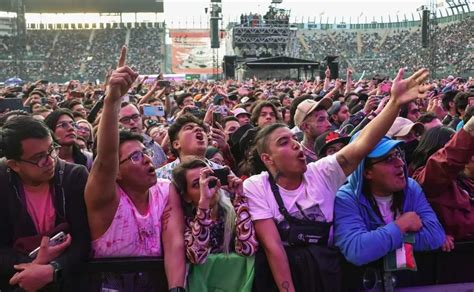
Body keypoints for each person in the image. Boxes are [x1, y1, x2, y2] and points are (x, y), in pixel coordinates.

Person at [243, 68, 431, 292]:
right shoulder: (256, 185)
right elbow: (274, 248)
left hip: (327, 275)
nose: (295, 144)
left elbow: (362, 144)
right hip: (282, 280)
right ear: (267, 159)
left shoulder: (322, 173)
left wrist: (394, 103)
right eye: (283, 142)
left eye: (294, 139)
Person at [84, 47, 185, 290]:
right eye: (136, 157)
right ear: (116, 172)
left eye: (146, 153)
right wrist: (112, 100)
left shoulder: (164, 190)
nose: (148, 160)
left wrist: (176, 289)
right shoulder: (105, 199)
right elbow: (106, 159)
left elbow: (174, 244)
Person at [0, 116, 90, 291]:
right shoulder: (2, 182)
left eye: (51, 150)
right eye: (39, 157)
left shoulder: (74, 177)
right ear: (14, 164)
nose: (50, 161)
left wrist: (53, 269)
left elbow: (84, 239)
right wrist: (34, 264)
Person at [333, 136, 445, 266]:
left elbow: (435, 236)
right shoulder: (346, 198)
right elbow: (356, 250)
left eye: (398, 154)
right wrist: (402, 225)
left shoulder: (411, 188)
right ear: (366, 172)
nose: (401, 163)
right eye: (389, 159)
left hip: (409, 283)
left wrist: (378, 240)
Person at [171, 158, 258, 264]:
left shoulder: (233, 211)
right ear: (186, 196)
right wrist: (204, 203)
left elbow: (248, 250)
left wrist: (240, 198)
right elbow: (197, 257)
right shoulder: (184, 222)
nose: (205, 187)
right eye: (197, 184)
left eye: (208, 180)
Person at [411, 116, 474, 244]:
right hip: (452, 259)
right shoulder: (427, 180)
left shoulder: (463, 180)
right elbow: (446, 162)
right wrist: (468, 131)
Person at [118, 102, 167, 168]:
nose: (132, 122)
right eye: (125, 119)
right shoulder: (114, 153)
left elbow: (163, 111)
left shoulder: (154, 145)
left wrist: (149, 109)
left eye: (135, 117)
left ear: (141, 117)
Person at [294, 97, 332, 163]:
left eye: (327, 119)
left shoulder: (336, 147)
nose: (329, 124)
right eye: (321, 120)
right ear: (305, 127)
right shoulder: (300, 161)